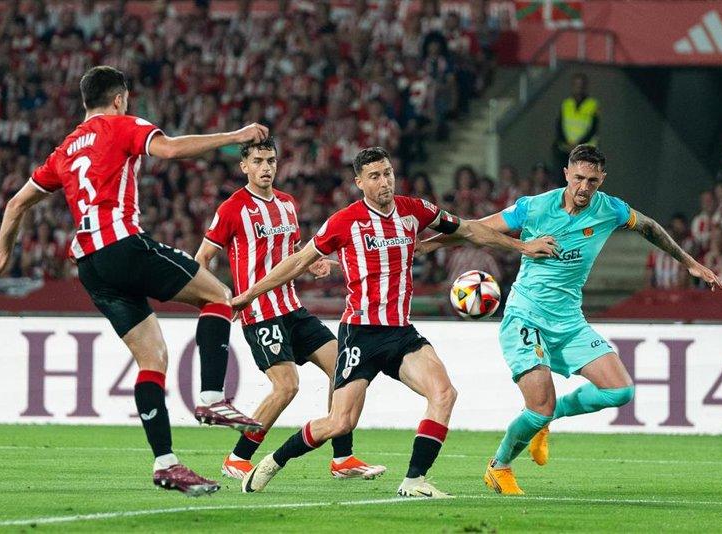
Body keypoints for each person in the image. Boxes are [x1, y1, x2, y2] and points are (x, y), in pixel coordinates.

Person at [0, 66, 267, 496]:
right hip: (123, 244)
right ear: (120, 98)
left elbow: (17, 203)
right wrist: (234, 136)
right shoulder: (121, 125)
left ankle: (166, 463)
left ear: (84, 102)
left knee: (152, 358)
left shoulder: (66, 148)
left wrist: (3, 254)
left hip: (91, 267)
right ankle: (210, 397)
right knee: (219, 296)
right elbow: (168, 151)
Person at [231, 146, 558, 498]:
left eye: (387, 173)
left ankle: (414, 481)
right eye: (374, 176)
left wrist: (522, 246)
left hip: (401, 333)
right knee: (340, 422)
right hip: (360, 334)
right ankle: (273, 462)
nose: (384, 181)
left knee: (444, 393)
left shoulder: (414, 210)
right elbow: (297, 261)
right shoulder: (345, 222)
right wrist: (249, 294)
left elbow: (468, 230)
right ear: (359, 182)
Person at [421, 144, 722, 495]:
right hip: (525, 317)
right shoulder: (534, 207)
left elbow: (650, 227)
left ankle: (547, 420)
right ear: (566, 173)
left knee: (620, 390)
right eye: (578, 178)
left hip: (569, 320)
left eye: (592, 181)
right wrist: (429, 245)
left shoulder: (609, 208)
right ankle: (500, 466)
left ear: (602, 180)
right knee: (539, 405)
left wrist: (689, 262)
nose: (584, 188)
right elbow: (474, 229)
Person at [194, 137, 385, 480]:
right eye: (258, 162)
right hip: (260, 312)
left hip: (292, 308)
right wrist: (217, 301)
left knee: (344, 368)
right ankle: (238, 457)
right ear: (244, 166)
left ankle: (342, 458)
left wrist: (314, 264)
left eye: (270, 161)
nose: (265, 168)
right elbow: (202, 259)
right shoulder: (232, 208)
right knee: (286, 386)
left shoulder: (287, 204)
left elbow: (293, 251)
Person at [553, 74, 599, 183]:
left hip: (586, 151)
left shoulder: (592, 104)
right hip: (566, 149)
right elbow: (559, 125)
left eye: (581, 85)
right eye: (576, 85)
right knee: (564, 182)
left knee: (584, 182)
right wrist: (566, 142)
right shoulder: (566, 104)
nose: (579, 88)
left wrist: (579, 144)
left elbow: (593, 128)